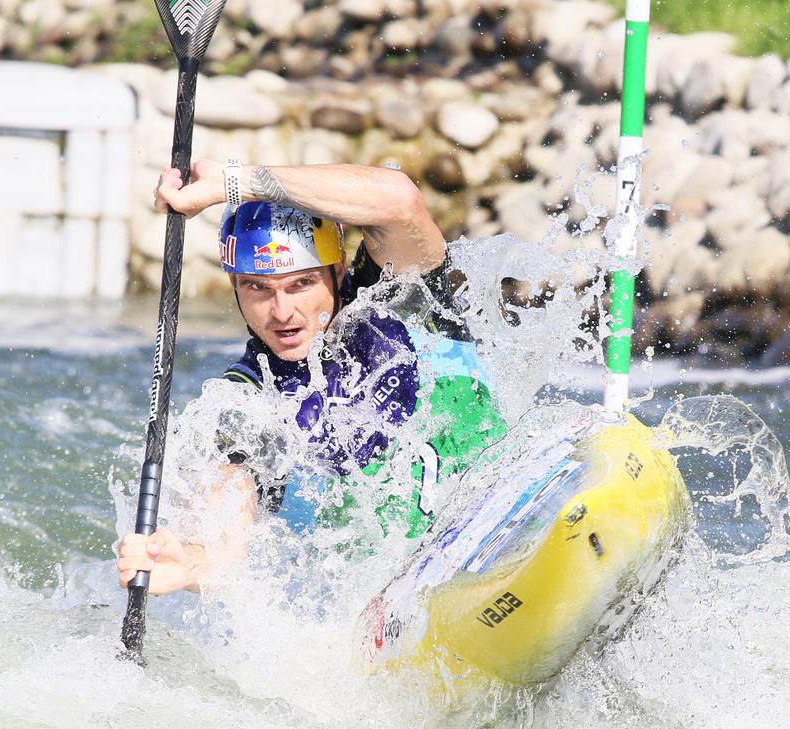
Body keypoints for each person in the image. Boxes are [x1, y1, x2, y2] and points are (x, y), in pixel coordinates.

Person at [117, 159, 506, 595]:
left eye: (301, 284)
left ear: (336, 275)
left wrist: (232, 183)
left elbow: (398, 200)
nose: (281, 312)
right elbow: (224, 539)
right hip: (408, 591)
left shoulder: (398, 294)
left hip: (501, 504)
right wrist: (188, 564)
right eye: (257, 288)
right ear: (235, 289)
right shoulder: (244, 401)